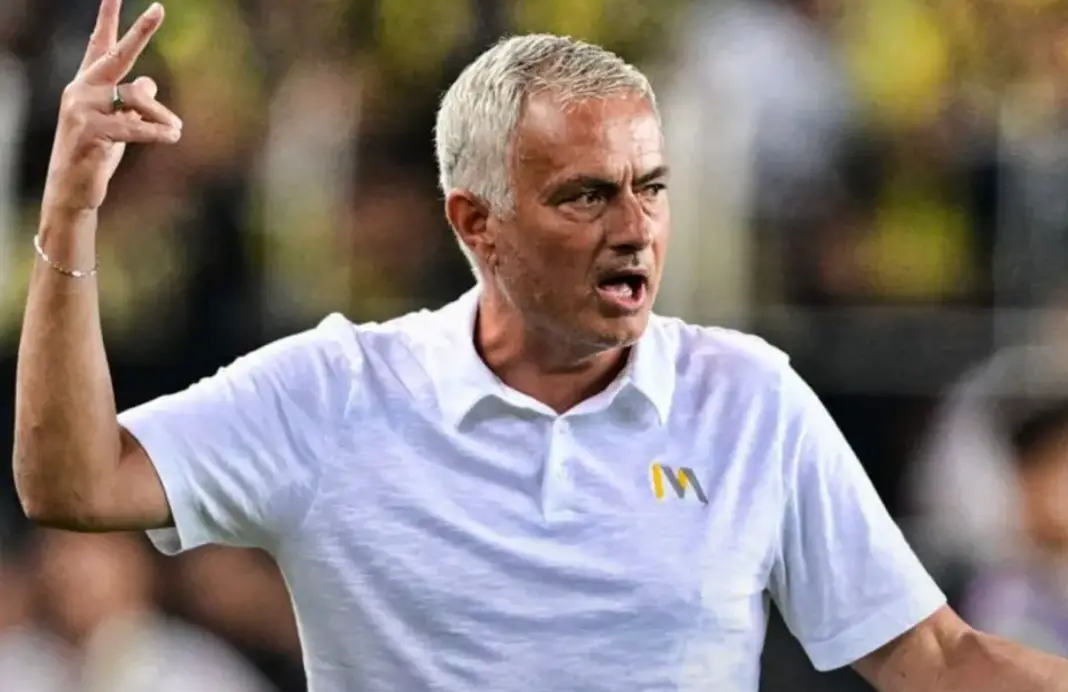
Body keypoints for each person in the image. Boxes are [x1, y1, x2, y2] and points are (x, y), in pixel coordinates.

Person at [11, 1, 1068, 690]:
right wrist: (69, 216)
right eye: (586, 195)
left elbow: (936, 656)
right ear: (476, 224)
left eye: (652, 187)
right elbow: (74, 480)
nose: (636, 227)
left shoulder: (751, 397)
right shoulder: (338, 387)